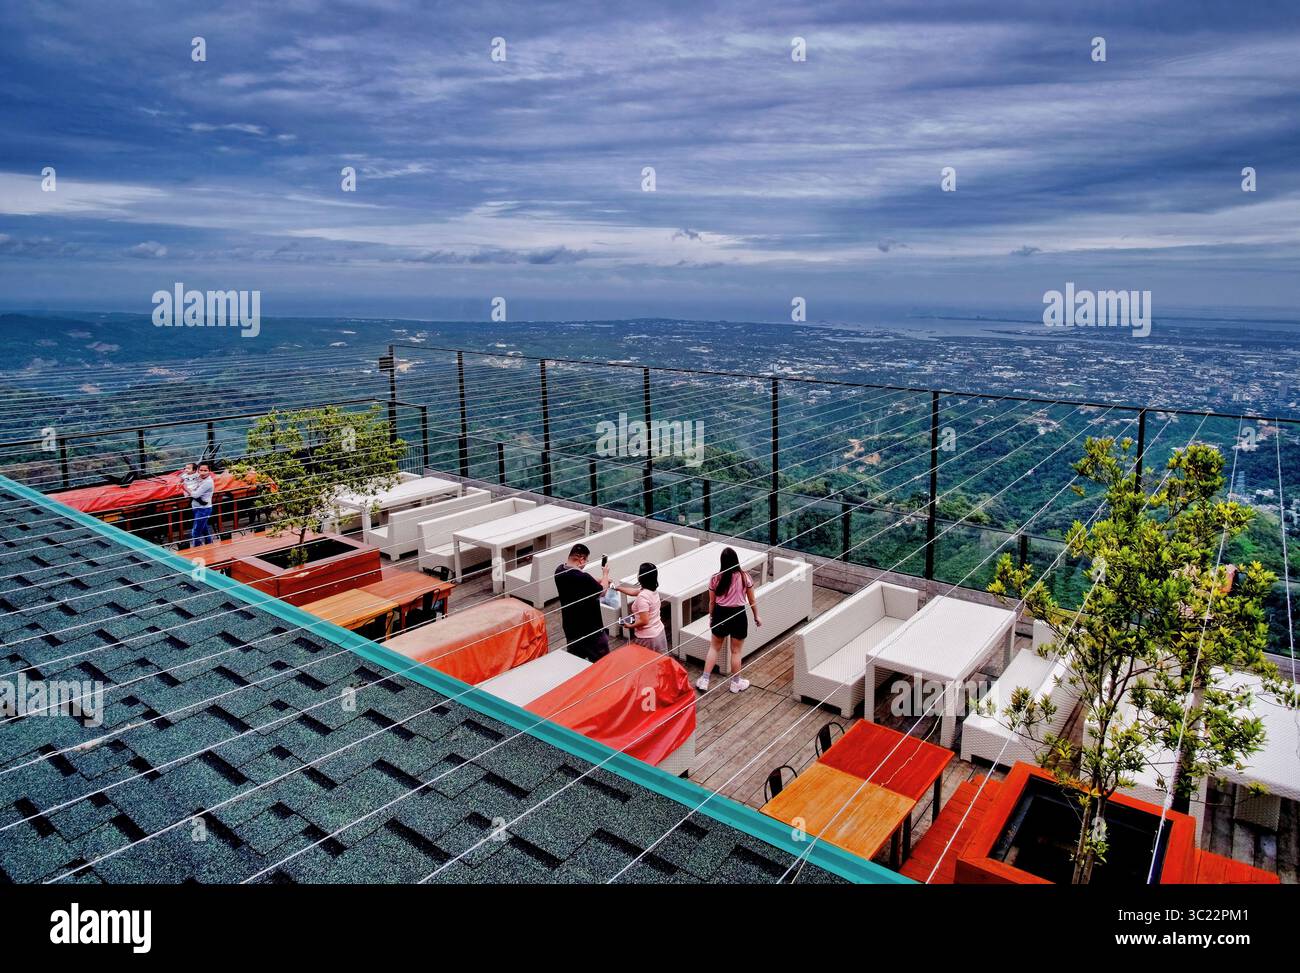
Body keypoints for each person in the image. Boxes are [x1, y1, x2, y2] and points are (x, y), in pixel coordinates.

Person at [696, 546, 761, 693]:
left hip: (720, 614)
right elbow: (752, 600)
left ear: (722, 562)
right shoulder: (745, 577)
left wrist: (712, 617)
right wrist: (756, 615)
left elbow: (712, 602)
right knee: (736, 652)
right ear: (736, 560)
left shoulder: (715, 578)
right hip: (738, 615)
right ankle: (735, 683)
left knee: (714, 648)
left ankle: (705, 680)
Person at [553, 543, 612, 661]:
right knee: (602, 663)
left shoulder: (559, 570)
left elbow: (582, 577)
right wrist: (605, 575)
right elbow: (602, 591)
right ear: (581, 559)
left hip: (571, 628)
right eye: (586, 561)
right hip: (591, 630)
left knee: (576, 662)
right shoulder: (582, 578)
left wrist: (599, 580)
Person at [613, 562, 667, 653]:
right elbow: (634, 591)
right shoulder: (652, 590)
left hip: (648, 637)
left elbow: (644, 621)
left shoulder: (642, 597)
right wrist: (618, 588)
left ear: (641, 577)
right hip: (659, 632)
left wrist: (630, 625)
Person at [186, 462, 217, 547]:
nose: (203, 472)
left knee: (195, 531)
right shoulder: (198, 479)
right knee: (204, 529)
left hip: (203, 509)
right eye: (201, 470)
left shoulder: (208, 482)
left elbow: (195, 494)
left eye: (205, 470)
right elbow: (187, 493)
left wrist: (185, 488)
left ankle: (197, 549)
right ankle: (209, 545)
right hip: (197, 508)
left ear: (209, 471)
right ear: (198, 471)